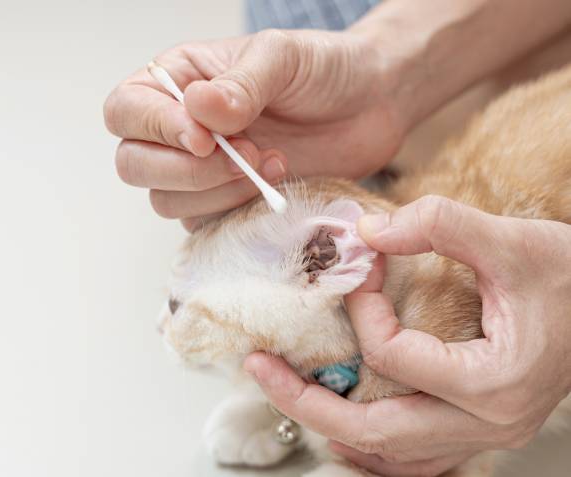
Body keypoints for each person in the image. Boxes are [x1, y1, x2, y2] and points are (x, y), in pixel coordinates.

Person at [103, 1, 571, 475]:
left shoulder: (439, 307)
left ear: (319, 260)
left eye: (179, 306)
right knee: (301, 20)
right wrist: (379, 74)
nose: (161, 326)